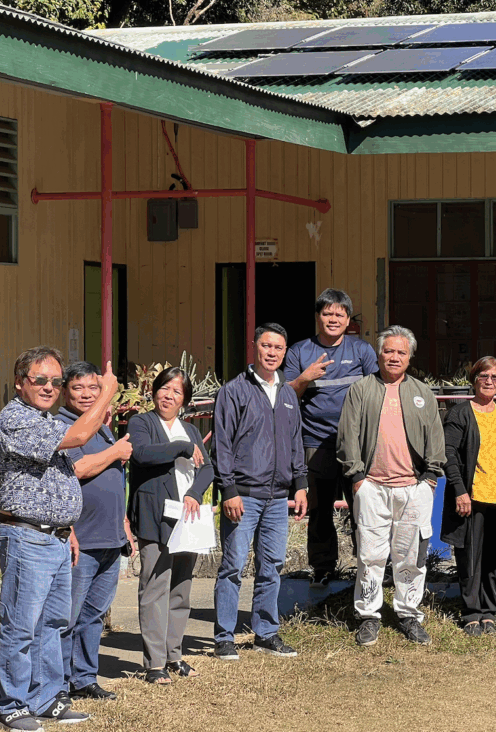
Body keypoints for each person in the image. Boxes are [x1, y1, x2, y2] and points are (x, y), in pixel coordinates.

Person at [0, 346, 118, 730]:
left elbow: (55, 481)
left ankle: (46, 699)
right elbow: (80, 435)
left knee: (52, 624)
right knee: (22, 626)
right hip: (26, 536)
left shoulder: (44, 419)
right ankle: (13, 705)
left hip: (56, 538)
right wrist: (106, 392)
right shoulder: (15, 419)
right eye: (40, 380)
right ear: (20, 383)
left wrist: (67, 529)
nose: (49, 387)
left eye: (55, 381)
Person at [337, 325, 445, 647]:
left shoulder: (423, 392)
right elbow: (347, 435)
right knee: (370, 555)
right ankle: (368, 616)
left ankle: (408, 614)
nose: (394, 357)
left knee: (411, 556)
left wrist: (430, 478)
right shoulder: (361, 389)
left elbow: (435, 437)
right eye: (389, 351)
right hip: (372, 487)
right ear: (379, 354)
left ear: (410, 357)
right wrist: (357, 478)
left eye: (401, 352)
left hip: (414, 488)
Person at [213, 323, 308, 660]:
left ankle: (265, 633)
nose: (272, 352)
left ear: (285, 353)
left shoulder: (287, 394)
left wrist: (300, 485)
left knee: (272, 565)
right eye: (266, 345)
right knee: (233, 565)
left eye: (278, 348)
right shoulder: (233, 391)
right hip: (244, 495)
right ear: (254, 346)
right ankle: (224, 637)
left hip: (278, 497)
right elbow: (222, 444)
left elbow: (296, 442)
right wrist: (229, 489)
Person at [284, 288, 378, 585]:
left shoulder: (362, 350)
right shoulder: (299, 351)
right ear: (317, 317)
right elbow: (285, 397)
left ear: (348, 319)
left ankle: (370, 569)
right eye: (327, 313)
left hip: (357, 446)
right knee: (320, 511)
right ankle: (323, 568)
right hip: (315, 443)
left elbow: (377, 393)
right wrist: (304, 378)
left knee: (364, 509)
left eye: (340, 314)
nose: (333, 319)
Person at [127, 366, 215, 684]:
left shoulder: (190, 430)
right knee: (155, 587)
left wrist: (194, 493)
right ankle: (154, 664)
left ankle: (174, 655)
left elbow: (207, 469)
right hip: (154, 515)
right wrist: (181, 447)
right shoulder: (141, 423)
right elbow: (141, 454)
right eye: (164, 388)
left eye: (177, 391)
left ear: (184, 400)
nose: (168, 395)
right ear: (154, 392)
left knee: (181, 588)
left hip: (186, 517)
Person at [57, 362, 134, 701]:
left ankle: (84, 678)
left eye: (93, 387)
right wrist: (116, 451)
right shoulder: (65, 427)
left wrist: (123, 523)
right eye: (78, 388)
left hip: (110, 537)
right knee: (67, 617)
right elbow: (78, 468)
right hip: (81, 539)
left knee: (93, 615)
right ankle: (58, 685)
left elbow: (113, 479)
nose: (87, 394)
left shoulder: (100, 427)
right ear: (65, 392)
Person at [442, 356, 496, 636]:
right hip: (472, 497)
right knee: (470, 559)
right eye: (483, 376)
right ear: (473, 380)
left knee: (493, 559)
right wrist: (459, 490)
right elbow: (448, 454)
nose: (489, 381)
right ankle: (471, 613)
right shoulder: (460, 413)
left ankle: (489, 613)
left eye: (495, 377)